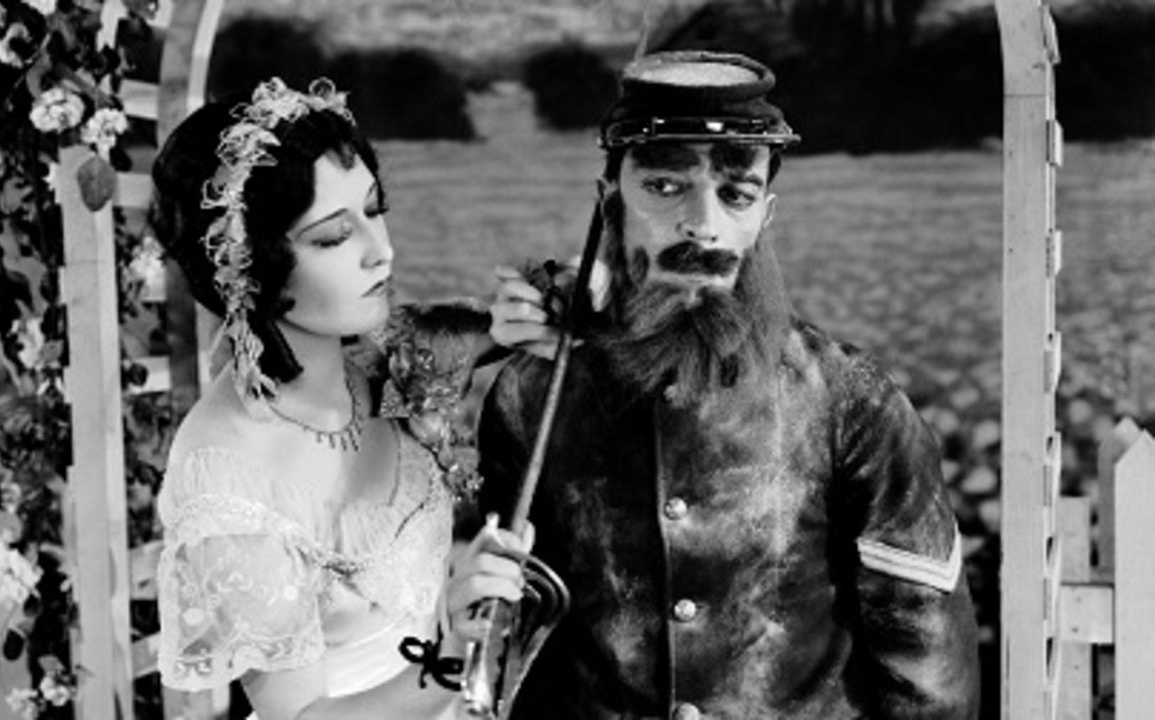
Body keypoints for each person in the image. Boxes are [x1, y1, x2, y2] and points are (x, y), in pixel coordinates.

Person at [480, 51, 981, 719]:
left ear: (764, 216)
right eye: (664, 186)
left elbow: (928, 671)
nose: (703, 224)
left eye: (735, 195)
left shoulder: (850, 400)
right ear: (610, 201)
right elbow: (502, 634)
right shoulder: (531, 397)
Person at [149, 77, 529, 720]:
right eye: (332, 238)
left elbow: (460, 340)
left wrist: (528, 314)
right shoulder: (230, 478)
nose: (382, 252)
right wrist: (451, 658)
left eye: (375, 211)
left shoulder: (375, 368)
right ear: (252, 268)